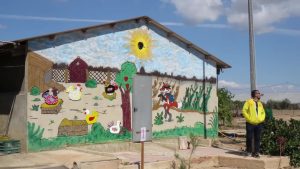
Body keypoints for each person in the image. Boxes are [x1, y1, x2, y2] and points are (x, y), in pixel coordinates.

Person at [242, 90, 266, 158]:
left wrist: (261, 119)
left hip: (259, 124)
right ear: (255, 95)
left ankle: (256, 152)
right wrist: (249, 119)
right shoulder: (249, 102)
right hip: (250, 123)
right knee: (249, 137)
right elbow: (244, 110)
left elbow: (263, 112)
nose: (260, 94)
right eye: (258, 93)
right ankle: (249, 151)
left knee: (258, 138)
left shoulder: (260, 103)